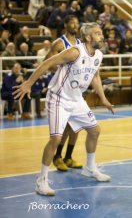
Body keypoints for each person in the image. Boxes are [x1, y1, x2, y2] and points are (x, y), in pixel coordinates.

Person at [13, 22, 114, 196]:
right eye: (98, 33)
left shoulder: (98, 54)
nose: (102, 36)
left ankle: (90, 168)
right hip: (58, 98)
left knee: (95, 131)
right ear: (88, 37)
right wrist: (29, 83)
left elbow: (95, 76)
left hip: (77, 99)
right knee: (56, 139)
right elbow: (46, 64)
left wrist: (103, 99)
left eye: (101, 33)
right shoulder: (74, 51)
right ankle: (41, 181)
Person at [46, 15, 83, 172]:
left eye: (77, 22)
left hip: (76, 90)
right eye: (72, 22)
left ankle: (68, 157)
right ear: (66, 25)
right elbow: (48, 64)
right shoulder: (60, 43)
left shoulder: (80, 44)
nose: (75, 25)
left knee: (76, 126)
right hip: (61, 91)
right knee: (64, 127)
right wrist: (63, 67)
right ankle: (57, 157)